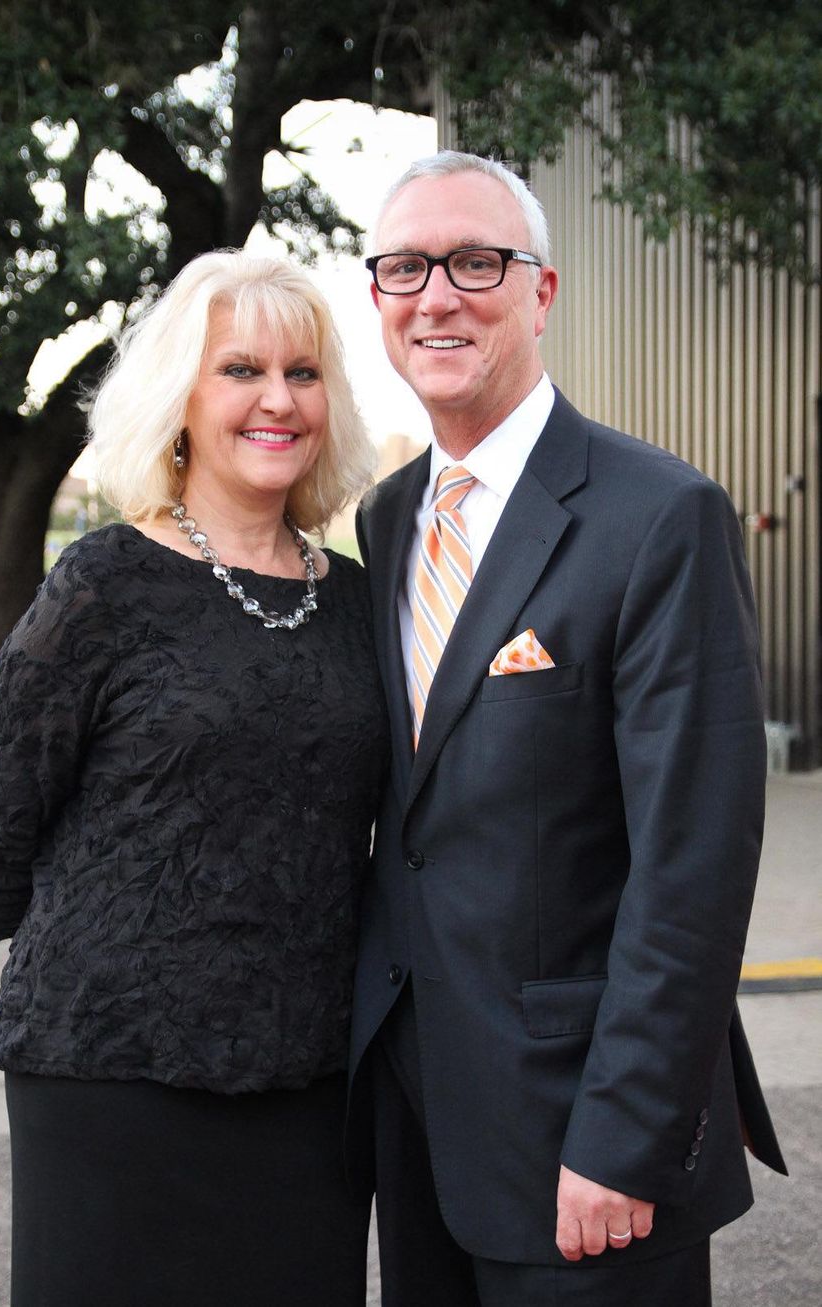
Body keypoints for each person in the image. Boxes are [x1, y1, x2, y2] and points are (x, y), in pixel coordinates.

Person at [347, 150, 787, 1307]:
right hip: (418, 1126)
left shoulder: (658, 516)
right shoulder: (387, 518)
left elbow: (692, 863)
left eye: (474, 261)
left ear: (539, 292)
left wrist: (624, 1134)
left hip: (581, 1143)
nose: (435, 296)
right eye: (403, 268)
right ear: (377, 298)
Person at [0, 250, 388, 1307]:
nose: (277, 399)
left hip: (309, 1083)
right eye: (240, 370)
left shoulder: (359, 602)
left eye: (303, 372)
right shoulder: (104, 583)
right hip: (111, 1076)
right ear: (179, 399)